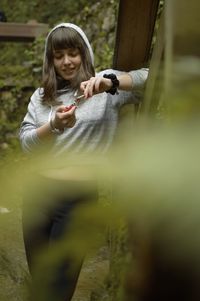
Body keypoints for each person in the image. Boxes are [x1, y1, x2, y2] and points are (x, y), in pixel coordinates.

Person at [19, 23, 148, 301]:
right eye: (59, 55)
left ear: (84, 53)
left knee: (59, 291)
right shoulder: (42, 97)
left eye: (73, 53)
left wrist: (110, 82)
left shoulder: (104, 88)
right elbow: (26, 143)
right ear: (50, 60)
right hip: (36, 197)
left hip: (78, 200)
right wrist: (53, 124)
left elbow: (152, 78)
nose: (66, 61)